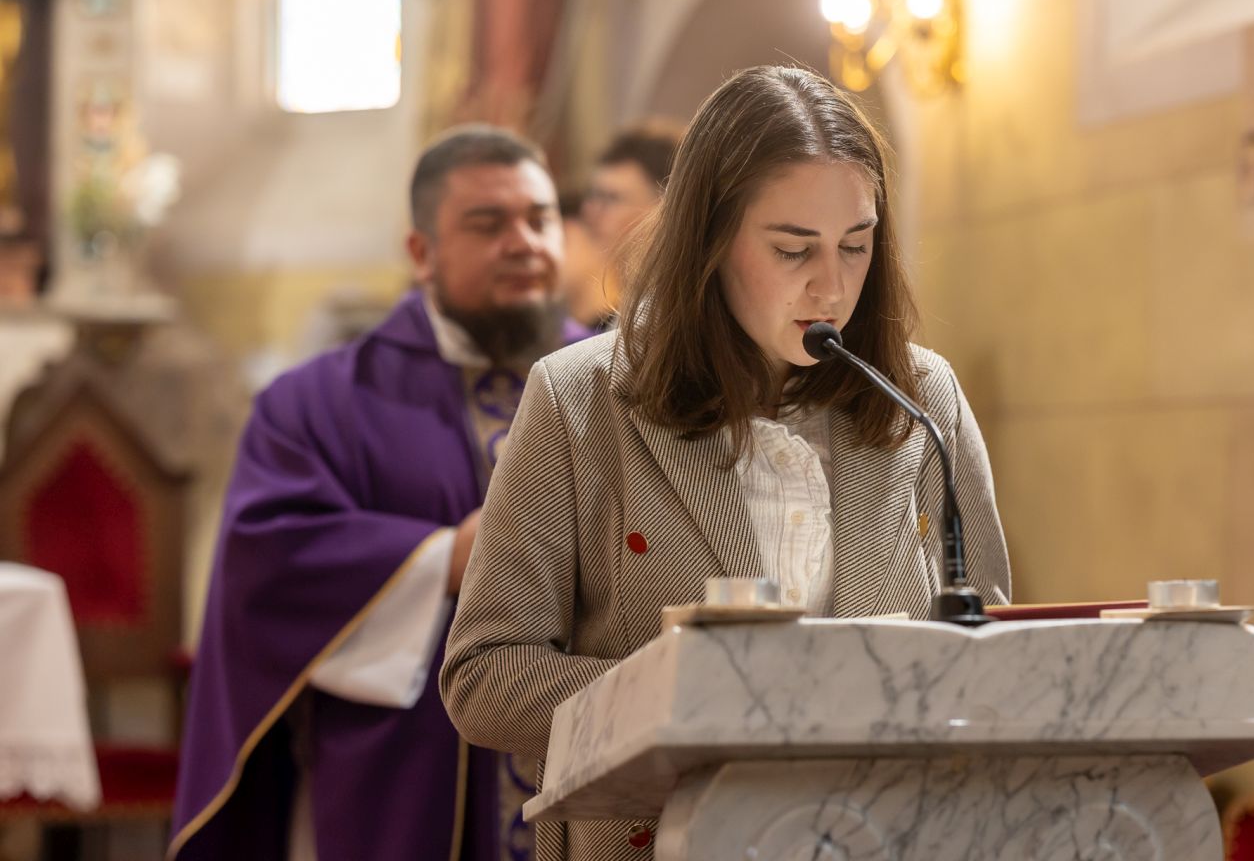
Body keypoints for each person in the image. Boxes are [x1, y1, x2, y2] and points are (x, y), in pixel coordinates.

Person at [439, 66, 1011, 861]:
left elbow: (989, 649)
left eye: (856, 245)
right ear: (711, 240)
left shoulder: (925, 400)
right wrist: (690, 697)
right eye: (792, 249)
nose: (832, 285)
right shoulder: (578, 399)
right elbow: (483, 680)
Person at [169, 125, 590, 861]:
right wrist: (444, 559)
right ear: (421, 254)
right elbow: (267, 568)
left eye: (540, 219)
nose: (524, 242)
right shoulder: (317, 404)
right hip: (404, 786)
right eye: (488, 224)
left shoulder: (625, 387)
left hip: (589, 773)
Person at [564, 121, 682, 328]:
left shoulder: (677, 310)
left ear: (664, 210)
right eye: (592, 196)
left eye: (610, 198)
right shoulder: (625, 309)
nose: (589, 212)